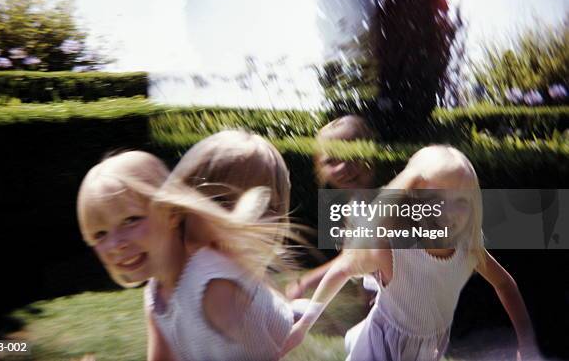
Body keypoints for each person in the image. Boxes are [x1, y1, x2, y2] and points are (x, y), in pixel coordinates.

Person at [281, 145, 539, 361]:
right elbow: (343, 268)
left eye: (461, 201)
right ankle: (323, 323)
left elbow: (505, 283)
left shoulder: (468, 247)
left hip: (428, 348)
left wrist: (527, 343)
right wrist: (304, 326)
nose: (448, 214)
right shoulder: (396, 250)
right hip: (380, 348)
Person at [77, 132, 297, 361]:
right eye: (100, 234)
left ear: (172, 211)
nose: (115, 244)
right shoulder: (156, 294)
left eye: (131, 220)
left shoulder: (212, 284)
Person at [285, 115, 378, 302]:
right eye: (331, 161)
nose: (343, 167)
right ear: (319, 168)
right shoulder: (352, 204)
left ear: (371, 155)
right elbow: (350, 260)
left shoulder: (377, 205)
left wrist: (304, 283)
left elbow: (350, 263)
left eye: (353, 156)